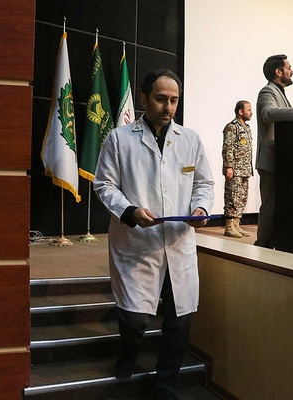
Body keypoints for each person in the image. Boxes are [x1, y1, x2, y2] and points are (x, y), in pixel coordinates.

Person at [93, 69, 215, 400]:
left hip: (178, 242)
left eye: (174, 100)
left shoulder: (190, 139)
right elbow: (104, 184)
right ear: (145, 99)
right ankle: (128, 353)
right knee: (135, 318)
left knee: (180, 320)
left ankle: (166, 385)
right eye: (161, 99)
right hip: (137, 243)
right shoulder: (120, 139)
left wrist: (200, 208)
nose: (168, 107)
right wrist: (130, 211)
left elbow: (204, 183)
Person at [254, 54, 293, 248]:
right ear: (278, 71)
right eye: (289, 68)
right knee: (270, 205)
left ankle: (277, 243)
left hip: (283, 159)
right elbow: (267, 113)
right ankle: (262, 246)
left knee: (281, 205)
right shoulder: (268, 91)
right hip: (271, 159)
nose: (292, 71)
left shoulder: (280, 92)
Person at [222, 100, 253, 238]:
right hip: (234, 169)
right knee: (232, 197)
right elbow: (227, 148)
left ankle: (236, 225)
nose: (251, 112)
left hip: (244, 169)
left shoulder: (247, 128)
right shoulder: (232, 127)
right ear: (240, 111)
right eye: (248, 110)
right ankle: (229, 227)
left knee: (242, 198)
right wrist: (229, 166)